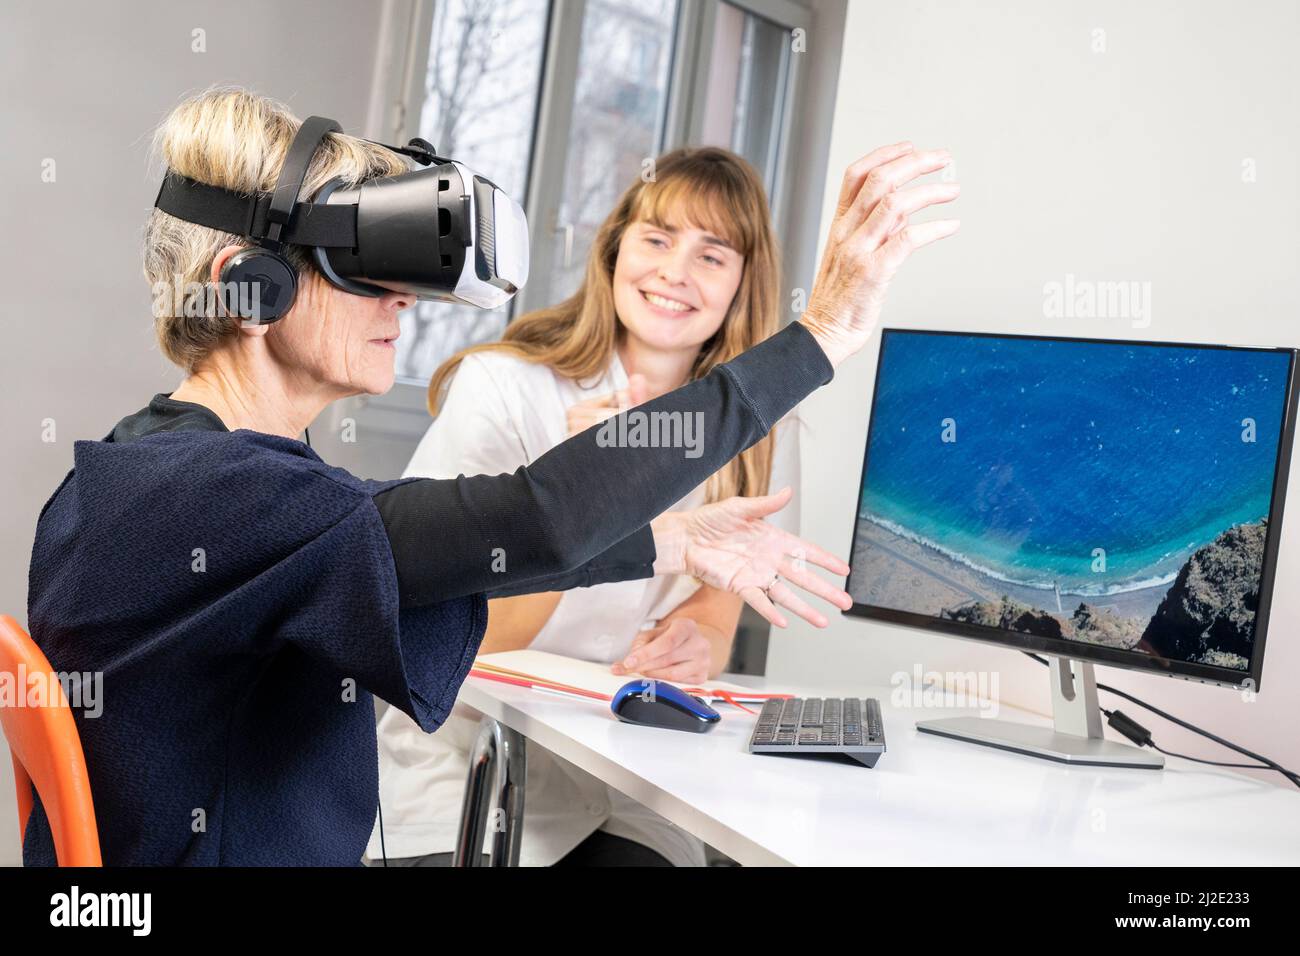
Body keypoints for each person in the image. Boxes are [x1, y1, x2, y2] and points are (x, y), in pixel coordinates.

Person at [22, 88, 960, 865]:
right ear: (248, 288)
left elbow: (433, 533)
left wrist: (668, 540)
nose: (400, 299)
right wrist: (825, 331)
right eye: (360, 269)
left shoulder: (163, 467)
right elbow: (532, 516)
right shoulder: (219, 496)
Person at [373, 147, 805, 866]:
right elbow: (457, 635)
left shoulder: (761, 431)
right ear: (614, 251)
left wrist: (692, 643)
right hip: (465, 770)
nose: (675, 272)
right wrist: (585, 491)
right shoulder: (502, 386)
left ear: (743, 283)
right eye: (658, 239)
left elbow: (716, 610)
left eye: (712, 255)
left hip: (627, 779)